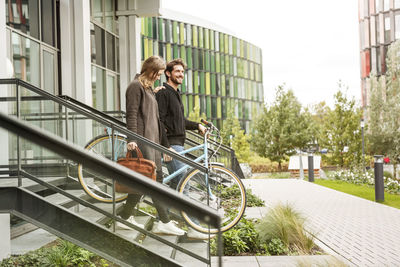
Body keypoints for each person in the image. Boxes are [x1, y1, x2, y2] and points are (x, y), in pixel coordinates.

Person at [116, 55, 184, 236]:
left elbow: (155, 120)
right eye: (157, 73)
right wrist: (131, 138)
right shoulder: (134, 87)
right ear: (150, 70)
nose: (158, 77)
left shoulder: (148, 89)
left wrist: (165, 145)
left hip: (153, 142)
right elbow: (131, 114)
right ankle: (164, 221)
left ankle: (124, 217)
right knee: (152, 180)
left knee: (147, 180)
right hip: (142, 141)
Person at [156, 59, 210, 239]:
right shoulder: (164, 93)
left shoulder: (175, 94)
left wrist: (197, 126)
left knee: (176, 184)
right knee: (184, 183)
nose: (180, 74)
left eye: (182, 72)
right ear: (168, 73)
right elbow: (159, 122)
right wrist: (166, 147)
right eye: (177, 71)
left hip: (177, 144)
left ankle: (161, 222)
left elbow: (179, 122)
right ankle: (194, 227)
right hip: (171, 145)